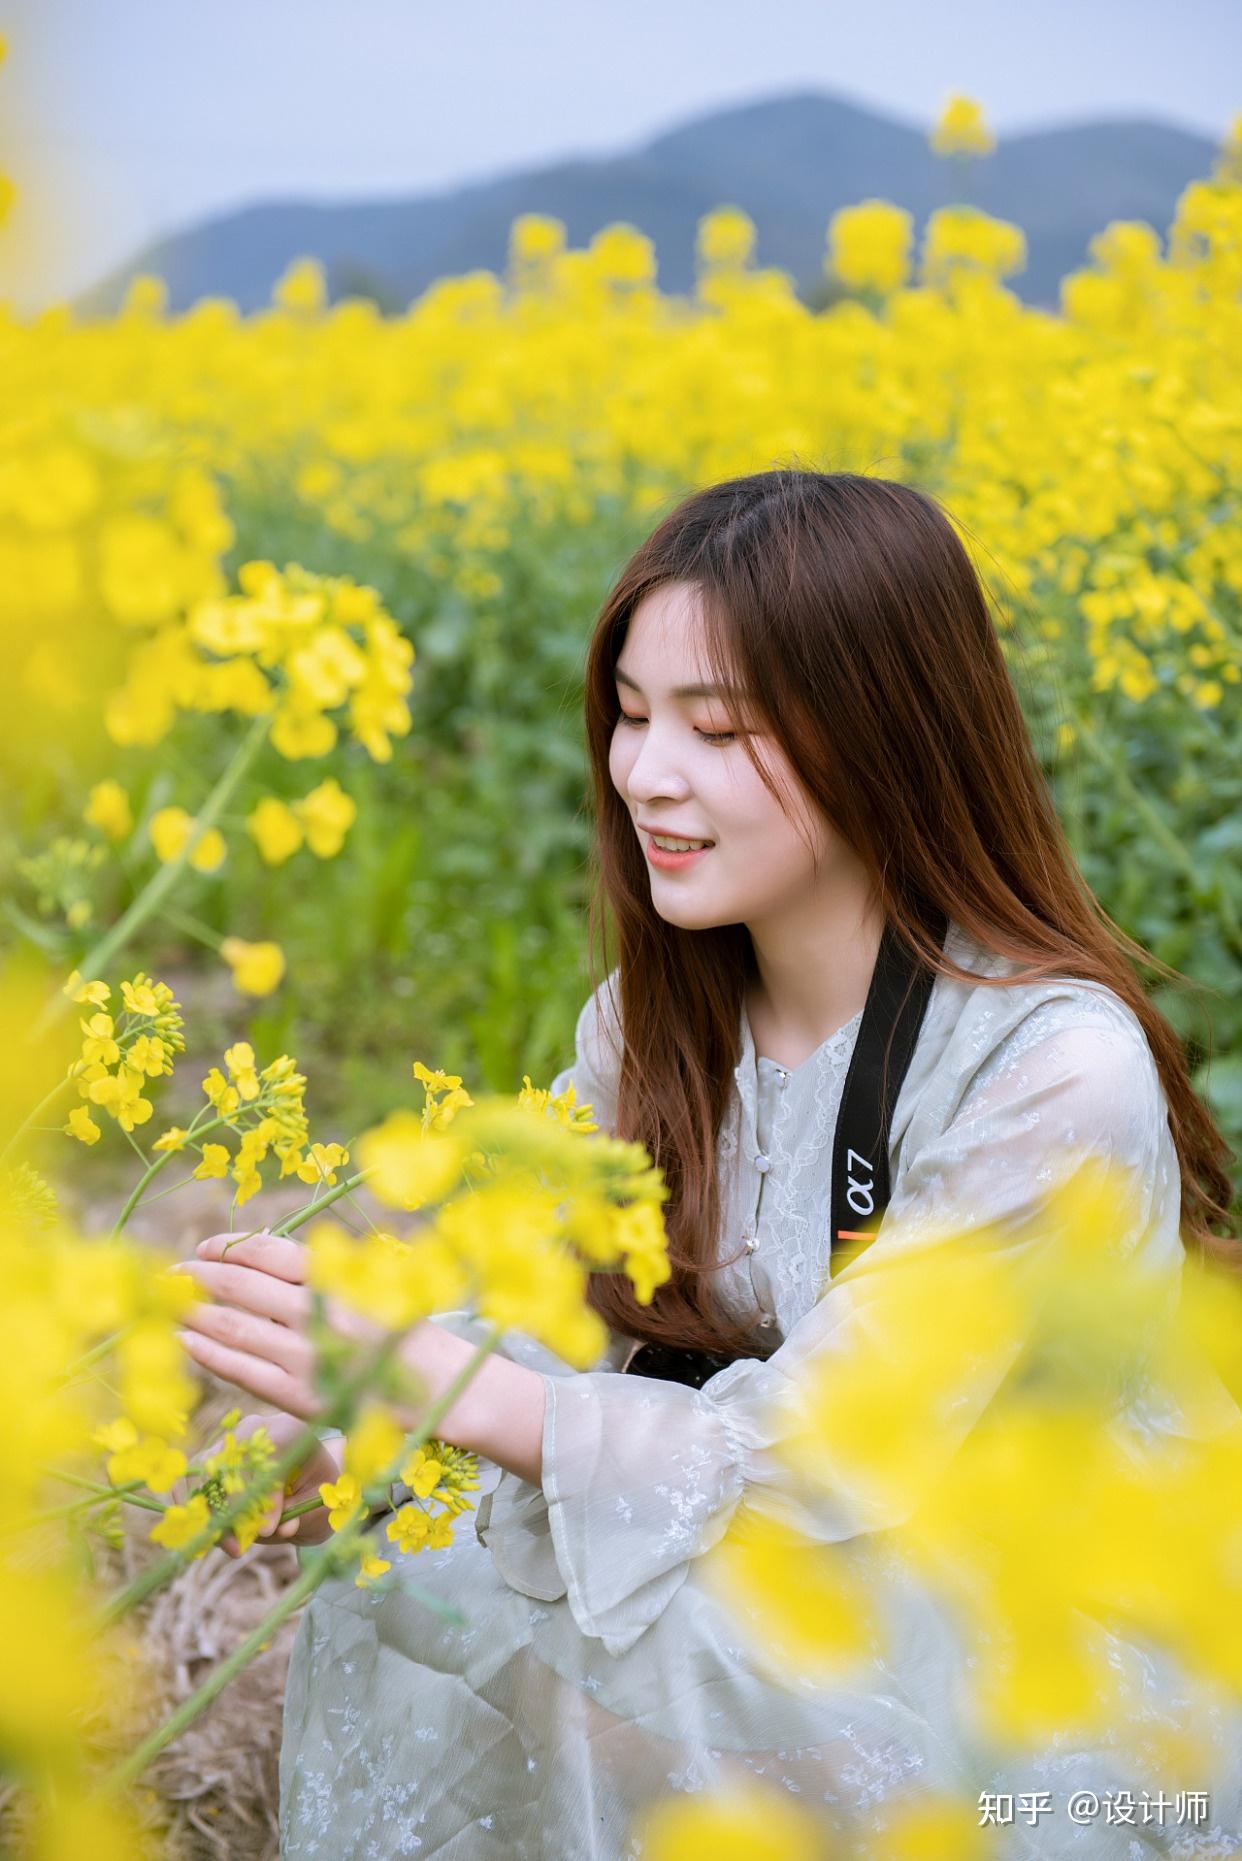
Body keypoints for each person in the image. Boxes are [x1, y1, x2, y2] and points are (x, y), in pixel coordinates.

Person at [181, 471, 1240, 1858]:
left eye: (717, 727)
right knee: (395, 1551)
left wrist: (433, 1385)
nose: (644, 775)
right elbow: (545, 1315)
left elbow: (816, 1464)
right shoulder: (652, 1024)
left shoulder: (1047, 1068)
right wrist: (350, 1441)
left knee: (659, 1620)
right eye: (628, 714)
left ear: (885, 738)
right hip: (833, 1611)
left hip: (1046, 1704)